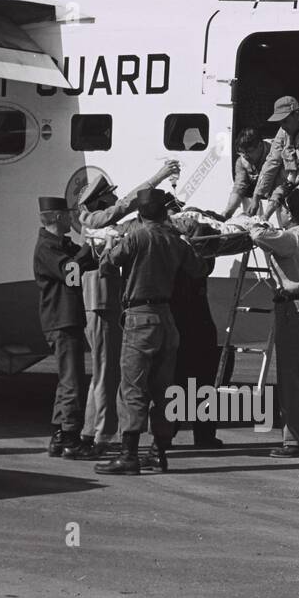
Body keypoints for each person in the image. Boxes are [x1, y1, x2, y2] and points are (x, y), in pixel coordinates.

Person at [94, 188, 211, 475]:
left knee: (133, 388)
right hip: (166, 319)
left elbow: (107, 266)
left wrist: (109, 245)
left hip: (139, 318)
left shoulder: (136, 236)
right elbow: (199, 269)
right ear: (162, 212)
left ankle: (129, 455)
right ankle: (158, 453)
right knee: (163, 389)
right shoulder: (176, 241)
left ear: (141, 214)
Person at [75, 161, 180, 459]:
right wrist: (158, 177)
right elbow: (126, 205)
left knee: (106, 373)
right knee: (110, 372)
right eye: (107, 197)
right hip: (102, 301)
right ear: (96, 202)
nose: (114, 201)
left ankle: (93, 431)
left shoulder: (110, 225)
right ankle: (103, 435)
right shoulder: (94, 219)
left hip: (107, 302)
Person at [250, 187, 299, 457]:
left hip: (293, 310)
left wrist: (259, 219)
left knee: (291, 379)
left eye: (282, 208)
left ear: (288, 213)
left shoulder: (291, 238)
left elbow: (258, 235)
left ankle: (295, 441)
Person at [34, 195, 97, 459]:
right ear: (58, 217)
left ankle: (60, 437)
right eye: (68, 214)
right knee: (71, 382)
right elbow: (71, 273)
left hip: (65, 319)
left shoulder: (58, 245)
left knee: (66, 382)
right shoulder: (47, 248)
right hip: (61, 320)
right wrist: (88, 242)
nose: (71, 218)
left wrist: (89, 248)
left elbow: (88, 263)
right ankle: (70, 438)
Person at [164, 196, 224, 448]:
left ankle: (169, 433)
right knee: (201, 380)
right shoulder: (189, 249)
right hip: (195, 320)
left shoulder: (171, 245)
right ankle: (202, 434)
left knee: (178, 379)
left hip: (182, 320)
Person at [253, 96, 299, 217]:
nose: (282, 126)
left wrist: (298, 193)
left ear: (296, 114)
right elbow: (272, 160)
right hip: (297, 175)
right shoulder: (284, 129)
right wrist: (257, 194)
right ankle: (266, 217)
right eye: (280, 122)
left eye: (285, 121)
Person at [224, 128, 268, 218]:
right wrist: (227, 213)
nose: (245, 156)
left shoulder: (275, 153)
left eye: (248, 152)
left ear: (260, 146)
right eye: (242, 152)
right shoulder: (242, 161)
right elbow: (239, 187)